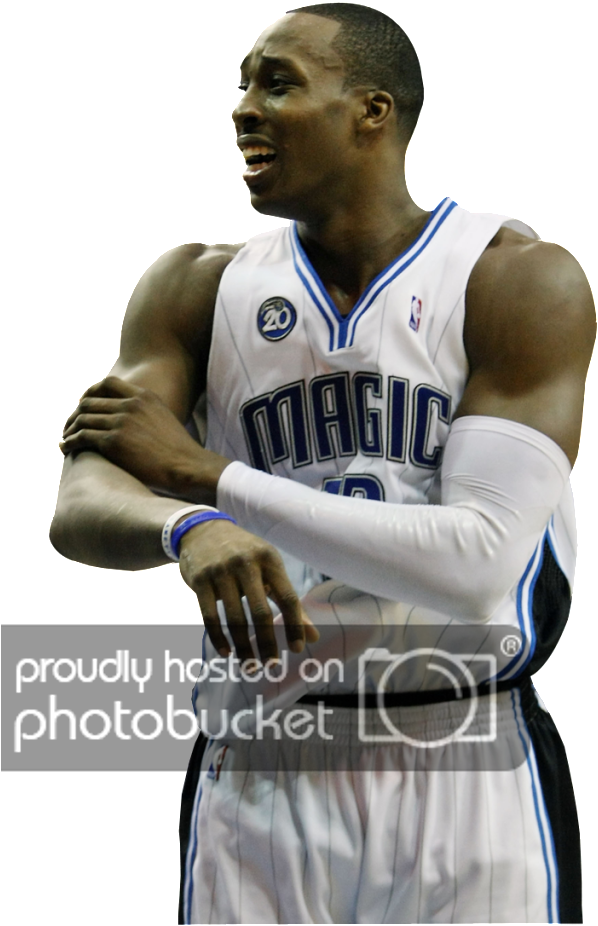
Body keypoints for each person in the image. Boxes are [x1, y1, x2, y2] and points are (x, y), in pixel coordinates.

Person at [51, 4, 593, 924]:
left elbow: (480, 563)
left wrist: (213, 480)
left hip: (467, 749)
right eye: (240, 87)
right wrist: (188, 526)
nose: (242, 109)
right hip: (264, 756)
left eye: (278, 83)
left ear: (371, 111)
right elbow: (83, 497)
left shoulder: (511, 277)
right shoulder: (195, 284)